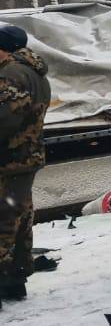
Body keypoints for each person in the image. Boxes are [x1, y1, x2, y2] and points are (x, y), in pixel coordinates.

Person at [0, 23, 51, 302]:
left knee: (4, 222)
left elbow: (4, 118)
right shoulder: (36, 74)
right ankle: (15, 280)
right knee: (20, 219)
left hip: (7, 159)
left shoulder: (10, 75)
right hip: (27, 157)